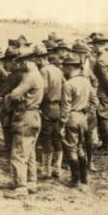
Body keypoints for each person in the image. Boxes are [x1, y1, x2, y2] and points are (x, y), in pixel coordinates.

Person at [3, 46, 44, 199]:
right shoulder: (38, 75)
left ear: (26, 61)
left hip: (25, 116)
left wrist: (6, 98)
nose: (19, 64)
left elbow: (14, 95)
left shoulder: (30, 76)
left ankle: (20, 187)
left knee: (18, 153)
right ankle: (31, 183)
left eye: (20, 61)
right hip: (34, 115)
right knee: (30, 153)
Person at [60, 53, 93, 188]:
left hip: (72, 117)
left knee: (71, 149)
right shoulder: (86, 81)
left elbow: (66, 107)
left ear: (69, 67)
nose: (64, 69)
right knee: (81, 147)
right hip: (83, 117)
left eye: (65, 66)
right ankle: (84, 178)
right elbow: (92, 100)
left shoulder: (68, 84)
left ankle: (75, 180)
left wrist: (62, 124)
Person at [35, 44, 65, 180]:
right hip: (57, 107)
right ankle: (57, 169)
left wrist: (38, 104)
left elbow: (44, 90)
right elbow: (65, 87)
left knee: (46, 139)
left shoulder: (44, 71)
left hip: (47, 107)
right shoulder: (58, 70)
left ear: (40, 58)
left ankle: (46, 170)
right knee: (57, 138)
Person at [89, 33, 108, 155]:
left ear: (98, 45)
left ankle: (107, 146)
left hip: (103, 92)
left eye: (94, 45)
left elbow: (106, 79)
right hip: (107, 91)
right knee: (105, 117)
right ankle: (107, 144)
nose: (93, 48)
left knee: (103, 118)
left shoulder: (101, 60)